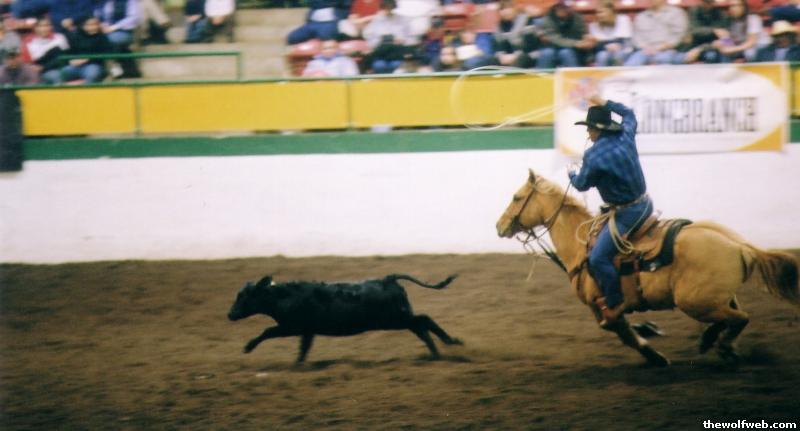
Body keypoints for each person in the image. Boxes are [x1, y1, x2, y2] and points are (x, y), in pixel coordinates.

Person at [568, 95, 652, 328]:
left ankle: (615, 302)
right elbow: (629, 113)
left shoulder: (593, 156)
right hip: (645, 204)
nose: (588, 134)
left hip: (627, 214)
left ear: (597, 129)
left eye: (589, 129)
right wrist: (605, 102)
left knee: (598, 258)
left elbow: (581, 184)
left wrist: (571, 173)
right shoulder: (625, 134)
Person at [624, 0, 687, 66]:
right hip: (644, 51)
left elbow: (678, 35)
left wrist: (660, 48)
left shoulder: (676, 13)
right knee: (631, 64)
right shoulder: (641, 16)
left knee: (664, 60)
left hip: (668, 50)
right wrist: (646, 48)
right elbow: (637, 37)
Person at [537, 0, 595, 68]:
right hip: (552, 47)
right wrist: (576, 43)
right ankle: (542, 74)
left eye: (565, 7)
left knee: (566, 52)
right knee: (547, 53)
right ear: (555, 7)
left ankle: (574, 74)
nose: (563, 9)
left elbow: (583, 34)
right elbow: (554, 39)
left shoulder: (577, 18)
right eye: (560, 7)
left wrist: (587, 40)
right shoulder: (547, 20)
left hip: (572, 50)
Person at [94, 0, 141, 78]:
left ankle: (113, 68)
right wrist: (100, 25)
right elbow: (96, 15)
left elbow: (133, 18)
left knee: (110, 40)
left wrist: (113, 28)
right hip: (102, 31)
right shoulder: (101, 2)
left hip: (123, 31)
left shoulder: (129, 1)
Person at [363, 0, 412, 73]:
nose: (388, 10)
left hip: (396, 53)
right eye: (386, 7)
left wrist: (402, 40)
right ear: (383, 8)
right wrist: (379, 41)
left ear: (393, 7)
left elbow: (408, 37)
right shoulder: (377, 20)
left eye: (390, 7)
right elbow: (368, 36)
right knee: (379, 65)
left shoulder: (402, 19)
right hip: (381, 53)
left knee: (396, 64)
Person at [60, 16, 112, 83]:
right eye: (90, 25)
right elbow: (68, 52)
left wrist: (87, 59)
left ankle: (81, 84)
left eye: (95, 24)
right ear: (83, 26)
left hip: (94, 65)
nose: (93, 27)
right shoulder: (75, 36)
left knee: (92, 73)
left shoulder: (102, 37)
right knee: (64, 72)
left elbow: (106, 53)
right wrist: (71, 60)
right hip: (76, 65)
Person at [20, 17, 68, 84]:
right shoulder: (28, 42)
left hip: (62, 67)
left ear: (51, 27)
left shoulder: (60, 37)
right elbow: (29, 63)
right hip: (42, 72)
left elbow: (65, 56)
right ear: (35, 28)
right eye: (40, 26)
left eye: (47, 25)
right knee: (55, 76)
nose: (44, 29)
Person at [588, 1, 633, 66]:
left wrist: (616, 46)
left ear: (610, 12)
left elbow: (626, 41)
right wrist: (606, 46)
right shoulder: (593, 25)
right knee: (601, 56)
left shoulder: (623, 19)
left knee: (618, 55)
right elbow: (597, 47)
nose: (598, 15)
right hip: (604, 50)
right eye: (597, 12)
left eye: (601, 12)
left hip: (623, 49)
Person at [287, 0, 351, 45]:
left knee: (326, 36)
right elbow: (313, 4)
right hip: (312, 23)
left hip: (330, 22)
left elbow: (346, 7)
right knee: (293, 37)